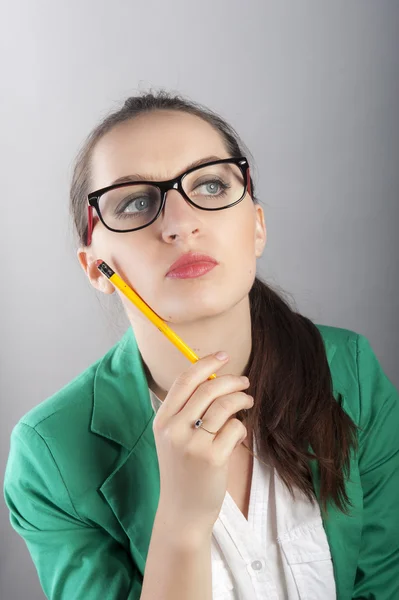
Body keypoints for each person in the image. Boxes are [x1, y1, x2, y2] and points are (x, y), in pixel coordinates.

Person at [4, 90, 399, 600]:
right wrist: (182, 527)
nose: (180, 224)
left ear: (256, 226)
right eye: (137, 202)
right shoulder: (49, 456)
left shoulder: (352, 371)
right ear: (95, 269)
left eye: (210, 185)